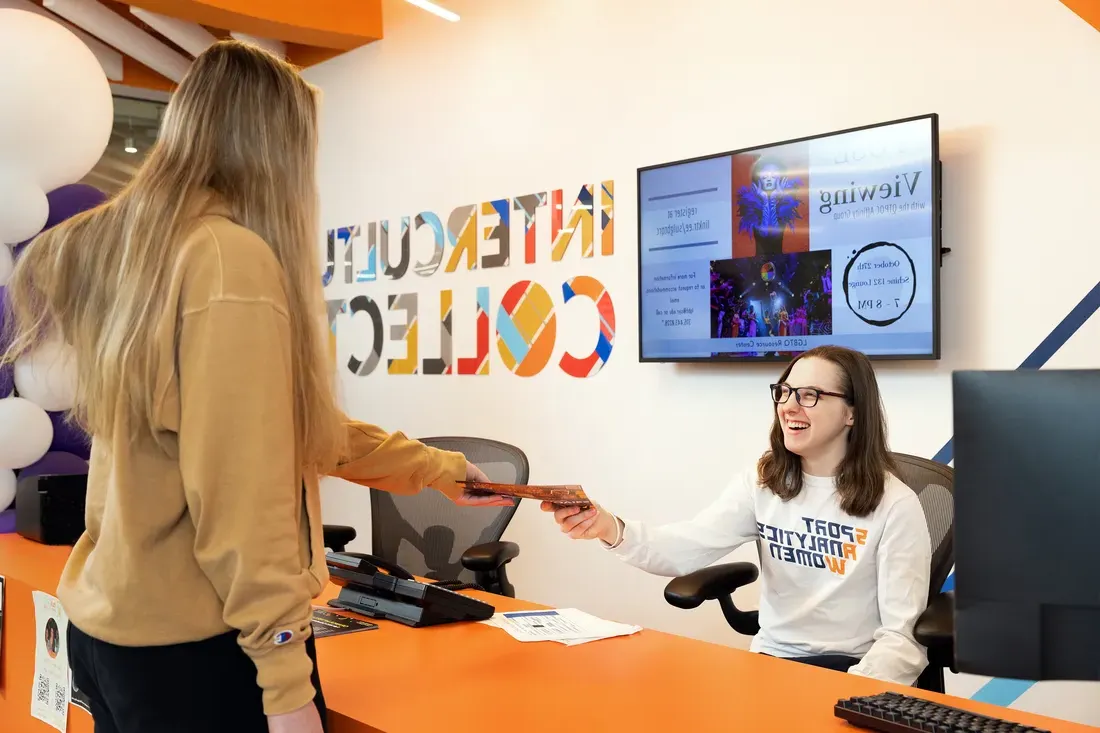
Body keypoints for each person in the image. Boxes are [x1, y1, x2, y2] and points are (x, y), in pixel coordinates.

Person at [1, 41, 510, 733]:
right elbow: (241, 486)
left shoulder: (144, 259)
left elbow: (283, 426)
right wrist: (284, 678)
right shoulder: (226, 259)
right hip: (197, 652)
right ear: (274, 148)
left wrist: (436, 469)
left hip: (113, 636)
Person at [544, 345, 932, 685]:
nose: (789, 406)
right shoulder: (763, 482)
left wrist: (849, 694)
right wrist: (608, 527)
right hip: (773, 662)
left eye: (810, 395)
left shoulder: (895, 505)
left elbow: (902, 639)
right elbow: (686, 548)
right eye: (785, 392)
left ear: (852, 413)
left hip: (851, 668)